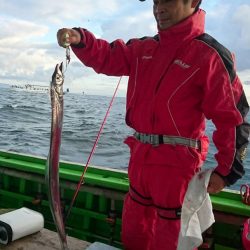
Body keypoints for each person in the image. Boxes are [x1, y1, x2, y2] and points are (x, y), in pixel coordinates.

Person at [57, 0, 250, 249]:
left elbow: (233, 118)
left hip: (177, 167)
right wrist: (80, 38)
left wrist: (226, 171)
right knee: (134, 230)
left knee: (169, 237)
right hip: (140, 159)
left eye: (167, 0)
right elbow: (107, 56)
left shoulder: (210, 55)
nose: (159, 7)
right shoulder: (143, 48)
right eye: (156, 1)